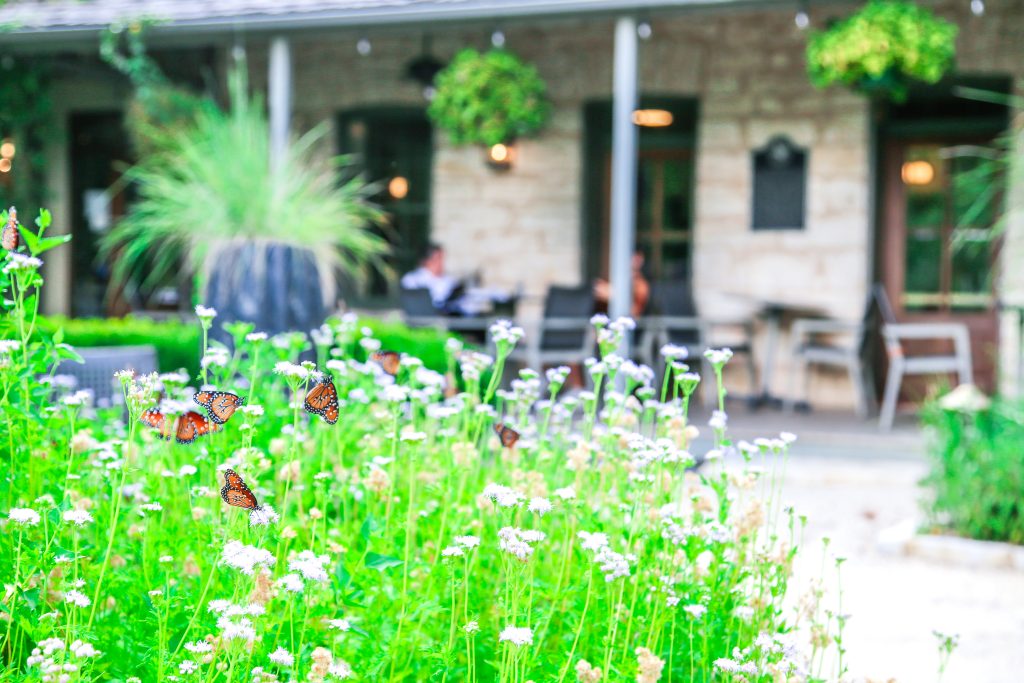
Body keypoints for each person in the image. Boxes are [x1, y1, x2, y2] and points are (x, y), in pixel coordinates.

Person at [401, 243, 461, 312]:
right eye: (438, 258)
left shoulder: (451, 281)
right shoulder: (411, 279)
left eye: (442, 258)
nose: (441, 262)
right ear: (427, 261)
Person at [593, 250, 650, 318]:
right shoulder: (612, 278)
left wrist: (614, 297)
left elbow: (635, 314)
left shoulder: (641, 285)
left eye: (637, 257)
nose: (635, 260)